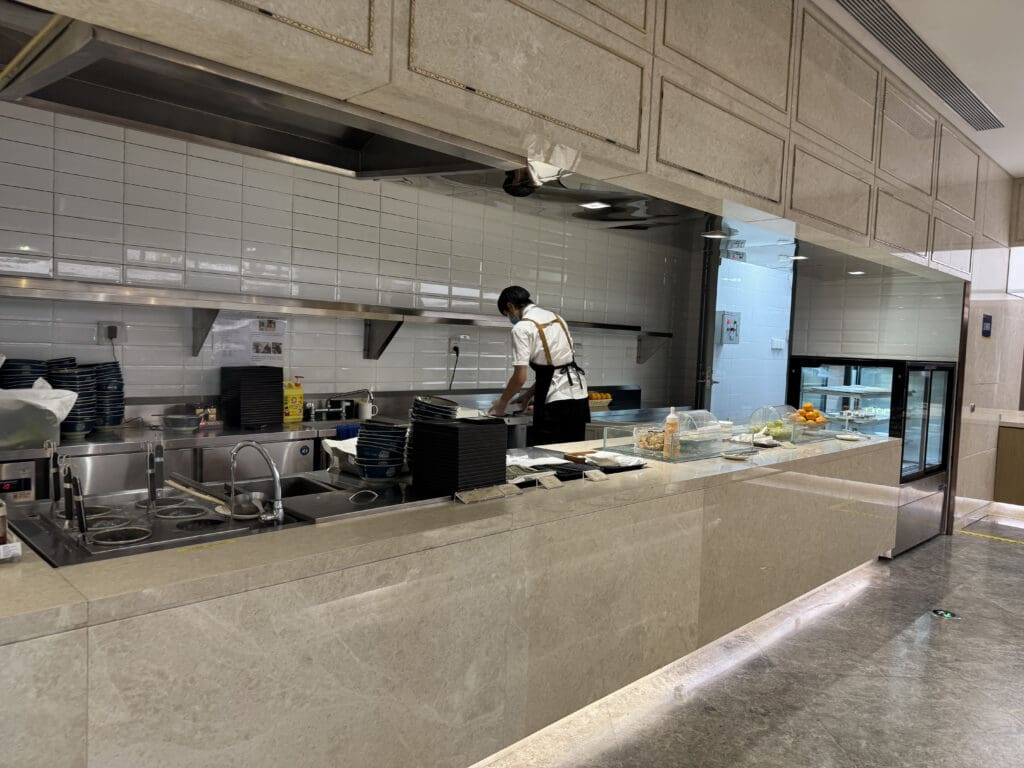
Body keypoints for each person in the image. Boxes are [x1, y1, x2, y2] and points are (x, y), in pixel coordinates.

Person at [491, 286, 590, 444]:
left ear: (510, 306)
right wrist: (528, 395)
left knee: (547, 456)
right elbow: (555, 368)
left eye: (507, 314)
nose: (510, 318)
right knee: (573, 453)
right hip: (578, 395)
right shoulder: (557, 318)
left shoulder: (522, 328)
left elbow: (519, 377)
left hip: (554, 401)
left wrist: (502, 403)